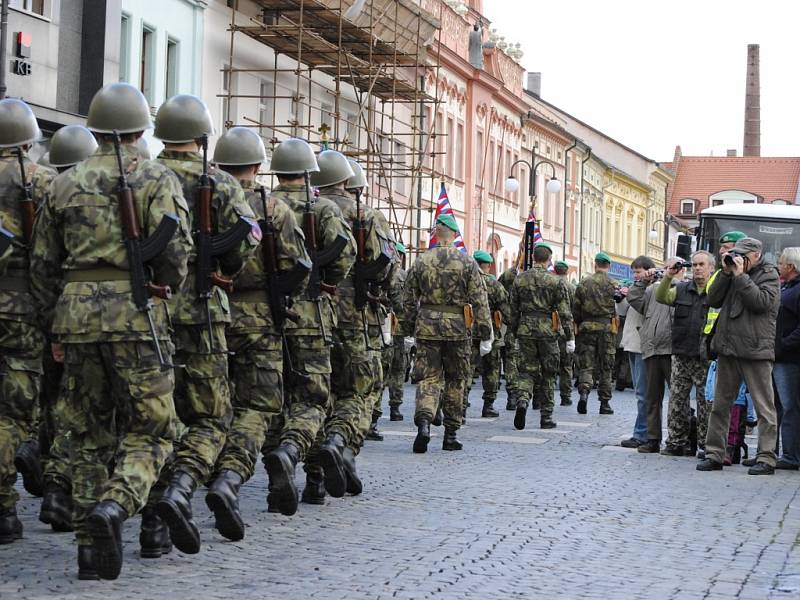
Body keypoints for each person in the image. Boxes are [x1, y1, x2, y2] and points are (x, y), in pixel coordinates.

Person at [29, 82, 192, 579]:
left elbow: (42, 265)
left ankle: (88, 549)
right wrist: (163, 287)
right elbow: (175, 253)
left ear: (96, 128)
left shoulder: (63, 183)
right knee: (156, 425)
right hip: (135, 314)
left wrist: (54, 323)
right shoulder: (158, 178)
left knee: (86, 431)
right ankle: (117, 505)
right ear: (142, 128)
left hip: (75, 317)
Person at [152, 94, 258, 555]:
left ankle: (151, 529)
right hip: (204, 313)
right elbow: (246, 240)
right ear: (201, 138)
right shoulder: (218, 182)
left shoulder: (141, 176)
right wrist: (221, 267)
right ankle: (181, 488)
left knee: (155, 421)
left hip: (151, 313)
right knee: (211, 416)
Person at [204, 127, 310, 540]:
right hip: (258, 316)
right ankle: (229, 478)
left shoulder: (203, 196)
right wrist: (277, 296)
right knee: (259, 406)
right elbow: (299, 266)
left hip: (209, 312)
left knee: (210, 406)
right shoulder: (274, 207)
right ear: (258, 165)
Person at [264, 142, 355, 516]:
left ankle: (276, 481)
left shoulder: (263, 204)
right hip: (312, 312)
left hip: (267, 314)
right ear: (307, 172)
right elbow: (343, 254)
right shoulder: (322, 207)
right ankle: (305, 467)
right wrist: (325, 281)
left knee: (273, 398)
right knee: (314, 398)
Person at [35, 125, 98, 535]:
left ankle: (56, 485)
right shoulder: (102, 189)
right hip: (106, 315)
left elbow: (42, 265)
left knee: (64, 404)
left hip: (60, 313)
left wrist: (49, 323)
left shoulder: (52, 191)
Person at [0, 98, 55, 545]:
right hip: (21, 310)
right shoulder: (41, 182)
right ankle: (3, 509)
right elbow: (55, 254)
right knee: (16, 413)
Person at [403, 214, 491, 453]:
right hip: (457, 329)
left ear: (436, 234)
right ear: (453, 235)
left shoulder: (421, 261)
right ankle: (450, 435)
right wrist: (486, 332)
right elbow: (479, 300)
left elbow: (408, 299)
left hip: (427, 325)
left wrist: (406, 329)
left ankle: (424, 422)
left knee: (428, 378)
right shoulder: (466, 262)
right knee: (455, 380)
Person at [697, 237, 780, 475]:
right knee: (720, 405)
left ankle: (766, 457)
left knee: (764, 407)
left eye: (743, 255)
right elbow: (712, 298)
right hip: (729, 347)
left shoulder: (769, 275)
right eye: (736, 254)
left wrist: (742, 276)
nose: (738, 259)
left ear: (756, 255)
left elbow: (761, 303)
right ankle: (714, 453)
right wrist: (725, 273)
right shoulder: (731, 273)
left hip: (755, 350)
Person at [508, 242, 574, 429]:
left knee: (527, 371)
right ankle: (546, 417)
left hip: (526, 329)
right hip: (547, 331)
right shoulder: (555, 281)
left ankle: (522, 401)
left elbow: (513, 309)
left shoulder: (520, 279)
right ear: (549, 260)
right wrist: (569, 337)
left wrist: (513, 333)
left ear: (533, 258)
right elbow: (564, 312)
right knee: (549, 373)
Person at [655, 251, 715, 455]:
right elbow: (661, 296)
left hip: (705, 357)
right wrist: (668, 275)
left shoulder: (716, 291)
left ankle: (704, 445)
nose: (697, 268)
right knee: (677, 400)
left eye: (701, 264)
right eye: (694, 264)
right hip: (681, 353)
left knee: (706, 404)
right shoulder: (681, 289)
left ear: (711, 268)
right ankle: (676, 441)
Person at [627, 261, 678, 454]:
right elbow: (634, 298)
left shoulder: (682, 289)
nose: (670, 271)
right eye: (667, 268)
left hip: (672, 349)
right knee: (651, 397)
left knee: (678, 398)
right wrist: (643, 281)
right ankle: (652, 438)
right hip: (652, 348)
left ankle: (677, 438)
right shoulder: (651, 291)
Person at [466, 250, 509, 418]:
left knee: (466, 369)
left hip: (468, 330)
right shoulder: (494, 285)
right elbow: (506, 309)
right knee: (491, 370)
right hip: (490, 332)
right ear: (488, 266)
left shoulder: (466, 280)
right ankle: (488, 405)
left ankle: (462, 403)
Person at [573, 252, 617, 415]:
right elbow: (616, 308)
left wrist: (579, 323)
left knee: (586, 365)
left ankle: (584, 394)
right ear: (608, 266)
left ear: (595, 264)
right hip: (606, 328)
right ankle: (604, 403)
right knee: (606, 367)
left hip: (587, 328)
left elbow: (576, 309)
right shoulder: (614, 284)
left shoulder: (584, 283)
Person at [618, 256, 654, 448]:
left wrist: (633, 292)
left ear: (648, 271)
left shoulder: (650, 289)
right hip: (631, 343)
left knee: (643, 393)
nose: (635, 275)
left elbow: (643, 308)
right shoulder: (636, 288)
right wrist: (622, 297)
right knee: (640, 393)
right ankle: (641, 432)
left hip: (642, 345)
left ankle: (642, 434)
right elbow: (623, 313)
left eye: (638, 272)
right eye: (634, 272)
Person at [772, 247, 800, 470]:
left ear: (791, 266)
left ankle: (790, 455)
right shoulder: (787, 287)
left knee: (790, 406)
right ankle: (770, 451)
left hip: (790, 359)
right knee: (775, 406)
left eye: (781, 263)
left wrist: (782, 345)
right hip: (779, 356)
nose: (778, 266)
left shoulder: (797, 290)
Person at [385, 242, 409, 421]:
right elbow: (406, 304)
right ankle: (395, 408)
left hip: (380, 326)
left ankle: (375, 412)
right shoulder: (403, 276)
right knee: (398, 369)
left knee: (381, 369)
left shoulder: (379, 273)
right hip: (398, 329)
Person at [553, 260, 576, 406]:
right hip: (566, 329)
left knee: (546, 364)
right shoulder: (571, 287)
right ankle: (565, 396)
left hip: (550, 328)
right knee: (566, 365)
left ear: (555, 271)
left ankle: (540, 396)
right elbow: (575, 308)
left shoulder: (550, 283)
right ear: (566, 272)